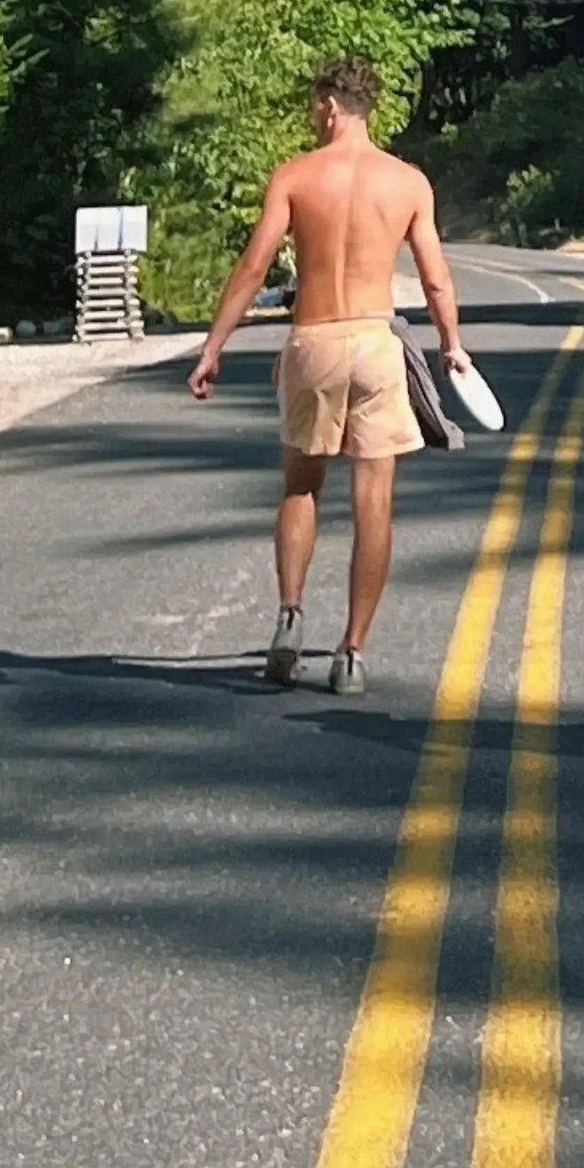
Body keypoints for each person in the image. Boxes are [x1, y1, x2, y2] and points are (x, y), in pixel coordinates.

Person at [190, 55, 472, 697]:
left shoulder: (295, 176)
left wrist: (213, 348)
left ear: (330, 106)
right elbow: (435, 279)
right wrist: (451, 345)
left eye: (315, 108)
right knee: (374, 502)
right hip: (375, 342)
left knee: (301, 486)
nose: (313, 119)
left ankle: (290, 614)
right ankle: (352, 652)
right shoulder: (408, 182)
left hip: (314, 339)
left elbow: (253, 267)